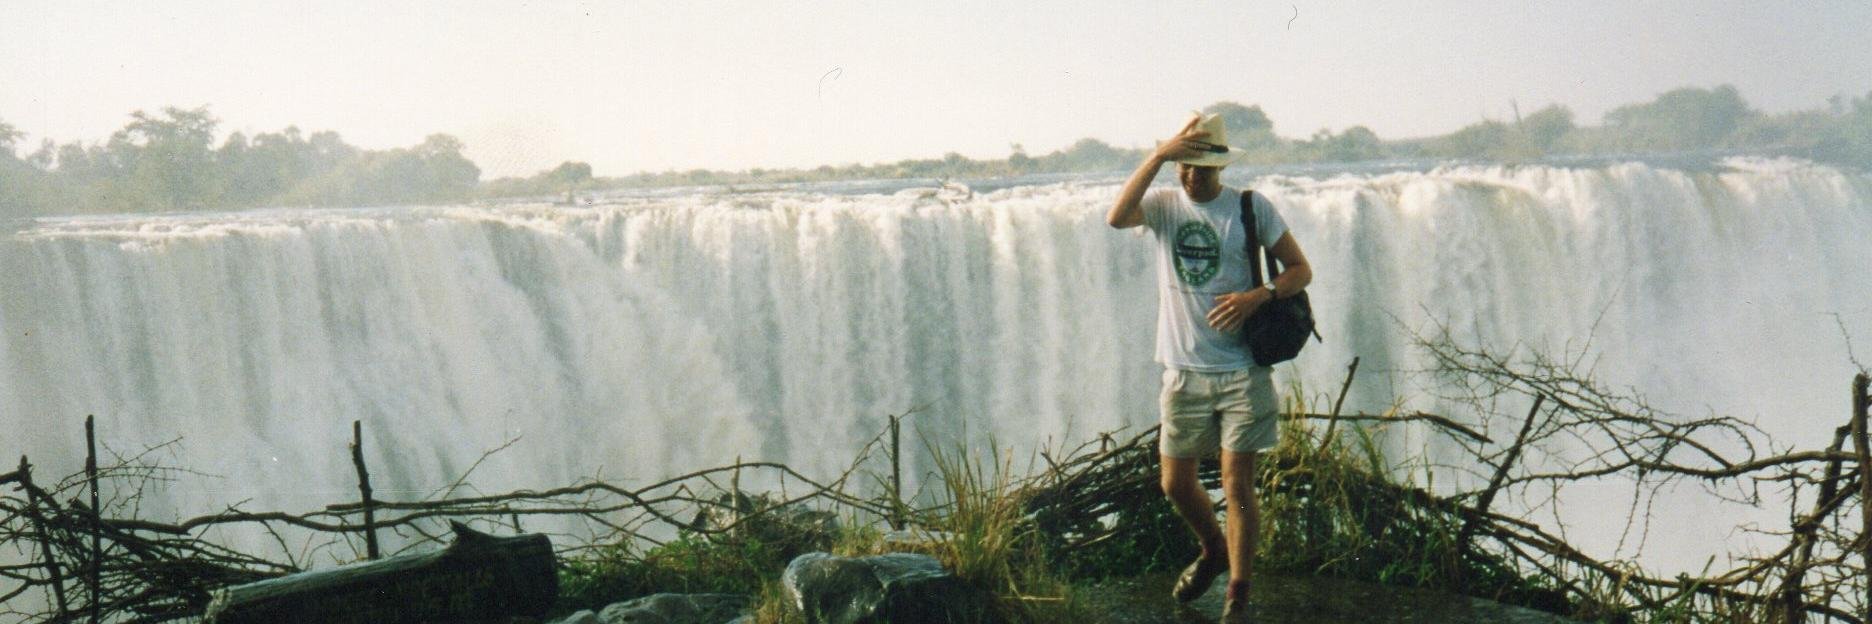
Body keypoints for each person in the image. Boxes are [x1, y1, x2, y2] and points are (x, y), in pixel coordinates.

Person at [1106, 112, 1313, 619]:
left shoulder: (1249, 207)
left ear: (1220, 166)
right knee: (1174, 483)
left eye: (1202, 168)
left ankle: (1237, 593)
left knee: (1237, 486)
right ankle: (1214, 550)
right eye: (1185, 166)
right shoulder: (1163, 206)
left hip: (1243, 370)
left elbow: (1301, 270)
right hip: (1182, 370)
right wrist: (1158, 154)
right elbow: (1116, 217)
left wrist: (1257, 296)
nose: (1192, 177)